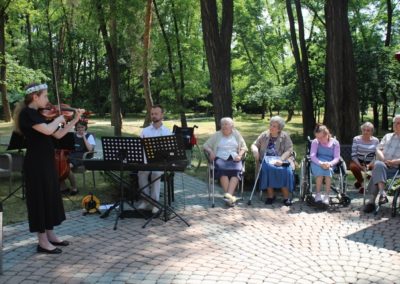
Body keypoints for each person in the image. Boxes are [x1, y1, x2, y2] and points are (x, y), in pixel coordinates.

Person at [13, 83, 84, 254]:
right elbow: (47, 131)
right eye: (45, 96)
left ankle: (51, 234)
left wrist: (74, 119)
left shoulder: (38, 115)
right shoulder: (27, 115)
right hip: (35, 164)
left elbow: (58, 134)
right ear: (35, 97)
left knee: (50, 196)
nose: (48, 100)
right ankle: (42, 241)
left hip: (46, 161)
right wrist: (58, 119)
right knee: (40, 199)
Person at [203, 117, 248, 206]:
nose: (224, 126)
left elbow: (244, 147)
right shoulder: (217, 135)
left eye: (226, 124)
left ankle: (228, 196)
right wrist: (211, 152)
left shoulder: (237, 134)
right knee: (222, 170)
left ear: (232, 126)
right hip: (220, 157)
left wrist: (239, 155)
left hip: (234, 157)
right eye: (222, 124)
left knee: (237, 170)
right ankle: (230, 198)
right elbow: (205, 145)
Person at [251, 116, 294, 206]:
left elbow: (289, 149)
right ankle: (271, 196)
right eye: (270, 125)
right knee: (267, 169)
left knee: (285, 171)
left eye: (274, 126)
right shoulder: (264, 135)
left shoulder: (285, 136)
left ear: (279, 129)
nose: (271, 127)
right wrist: (255, 150)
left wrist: (281, 160)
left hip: (281, 159)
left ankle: (286, 197)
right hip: (266, 160)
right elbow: (255, 144)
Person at [137, 105, 172, 214]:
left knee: (156, 173)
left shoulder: (167, 132)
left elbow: (170, 151)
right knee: (142, 172)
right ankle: (145, 200)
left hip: (160, 162)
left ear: (162, 115)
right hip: (146, 161)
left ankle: (154, 203)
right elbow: (139, 147)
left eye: (156, 114)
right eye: (152, 114)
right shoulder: (145, 131)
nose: (153, 116)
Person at [363, 115, 400, 213]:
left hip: (397, 168)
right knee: (378, 165)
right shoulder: (387, 136)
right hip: (383, 165)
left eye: (398, 123)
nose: (395, 125)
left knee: (377, 169)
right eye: (394, 123)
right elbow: (378, 149)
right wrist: (383, 159)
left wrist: (394, 162)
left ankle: (371, 202)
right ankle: (382, 194)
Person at [60, 120, 96, 195]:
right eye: (78, 127)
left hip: (82, 156)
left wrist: (83, 137)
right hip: (71, 155)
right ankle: (63, 187)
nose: (80, 129)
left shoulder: (89, 136)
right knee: (59, 165)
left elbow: (90, 149)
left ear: (85, 127)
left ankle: (74, 188)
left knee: (66, 167)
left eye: (82, 127)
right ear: (76, 128)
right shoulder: (73, 135)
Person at [310, 124, 341, 205]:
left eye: (321, 137)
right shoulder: (315, 142)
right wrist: (321, 163)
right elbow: (312, 156)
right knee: (320, 172)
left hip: (330, 163)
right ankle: (318, 194)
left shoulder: (335, 143)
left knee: (327, 171)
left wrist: (329, 164)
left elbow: (337, 158)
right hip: (317, 162)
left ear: (327, 134)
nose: (319, 139)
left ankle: (327, 195)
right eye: (317, 137)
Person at [349, 122, 379, 194]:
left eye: (368, 130)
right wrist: (360, 166)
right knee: (352, 166)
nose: (365, 132)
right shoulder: (356, 139)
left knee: (378, 166)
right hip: (358, 161)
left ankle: (360, 182)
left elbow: (376, 155)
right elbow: (354, 155)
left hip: (371, 162)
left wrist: (369, 165)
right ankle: (363, 185)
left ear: (371, 131)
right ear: (361, 130)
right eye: (364, 130)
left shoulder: (376, 140)